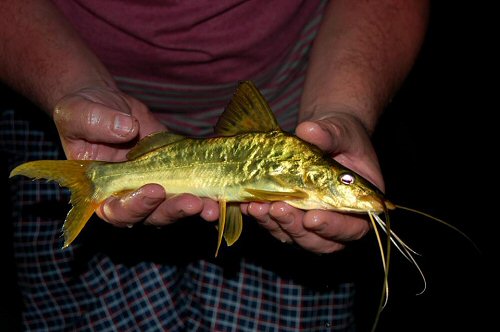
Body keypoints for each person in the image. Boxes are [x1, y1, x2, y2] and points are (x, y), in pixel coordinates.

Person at [0, 0, 429, 330]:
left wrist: (345, 110)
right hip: (59, 105)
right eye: (346, 181)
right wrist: (75, 88)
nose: (353, 187)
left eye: (346, 179)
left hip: (302, 93)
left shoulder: (305, 158)